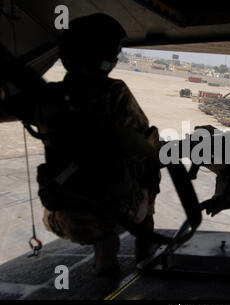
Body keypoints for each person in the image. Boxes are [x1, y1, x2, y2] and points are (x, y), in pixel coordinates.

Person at [0, 13, 166, 276]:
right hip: (124, 213)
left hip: (66, 218)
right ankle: (144, 248)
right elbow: (146, 148)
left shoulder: (45, 98)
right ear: (107, 57)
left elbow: (5, 109)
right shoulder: (115, 93)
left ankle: (103, 248)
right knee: (150, 168)